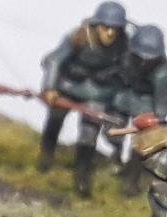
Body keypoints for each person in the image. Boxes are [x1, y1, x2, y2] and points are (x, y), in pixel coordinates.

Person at [38, 1, 129, 195]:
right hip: (68, 86)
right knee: (55, 119)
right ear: (97, 25)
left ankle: (82, 177)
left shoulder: (123, 44)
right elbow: (54, 60)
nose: (110, 33)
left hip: (97, 93)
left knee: (89, 133)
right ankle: (45, 156)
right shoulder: (79, 36)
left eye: (115, 29)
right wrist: (50, 88)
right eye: (106, 27)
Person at [110, 24, 167, 191]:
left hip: (146, 101)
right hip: (124, 95)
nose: (145, 61)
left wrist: (160, 118)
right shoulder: (125, 57)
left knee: (143, 142)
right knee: (113, 130)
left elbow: (161, 98)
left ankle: (131, 179)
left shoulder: (161, 71)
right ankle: (115, 159)